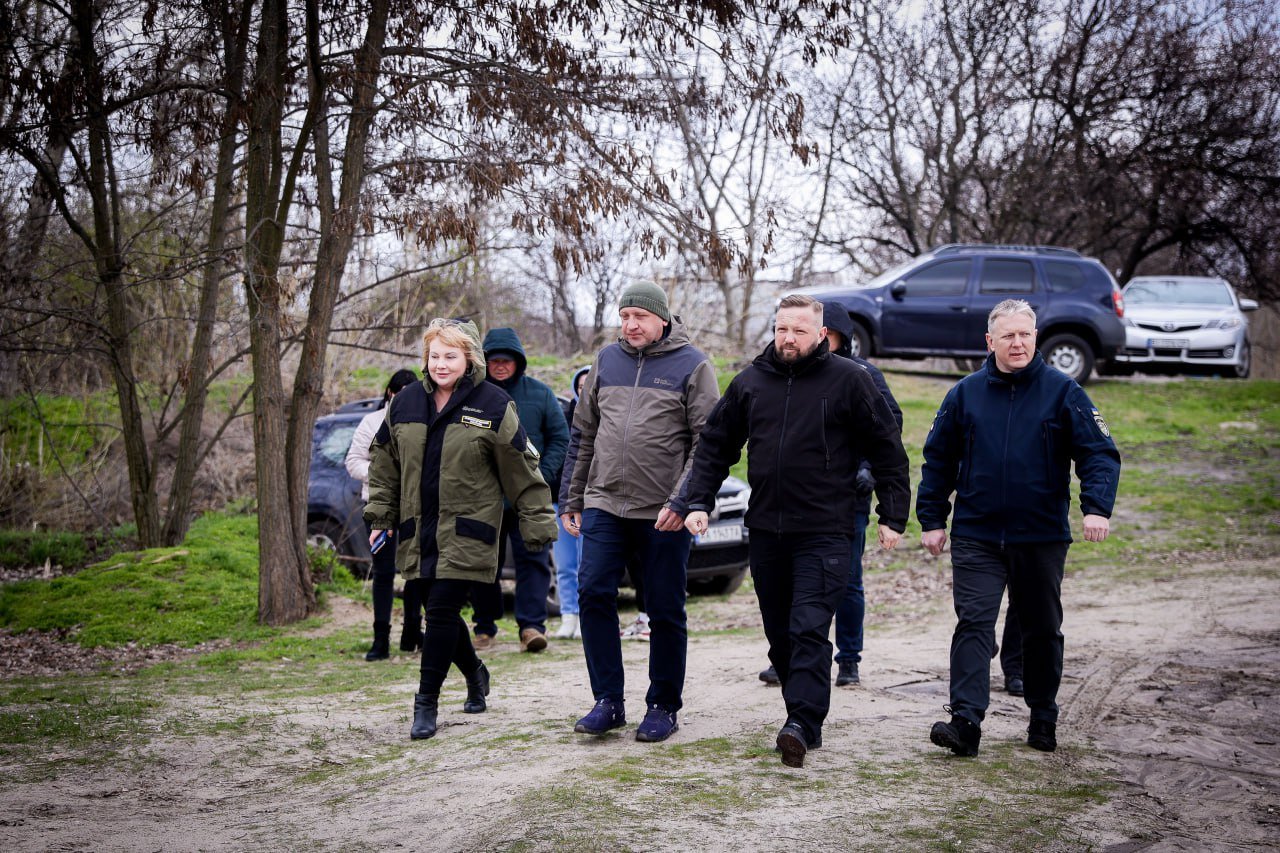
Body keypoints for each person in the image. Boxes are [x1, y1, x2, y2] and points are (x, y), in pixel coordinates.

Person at [680, 294, 911, 767]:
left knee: (808, 627)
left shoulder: (850, 380)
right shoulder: (750, 382)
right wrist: (698, 500)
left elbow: (887, 447)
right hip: (767, 530)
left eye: (799, 331)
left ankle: (802, 722)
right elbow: (716, 445)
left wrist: (892, 514)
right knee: (781, 632)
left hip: (826, 530)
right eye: (782, 328)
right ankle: (802, 717)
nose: (788, 338)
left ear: (821, 334)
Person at [917, 298, 1120, 757]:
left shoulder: (1063, 392)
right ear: (989, 341)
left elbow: (1099, 454)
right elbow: (938, 460)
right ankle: (965, 721)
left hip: (1041, 534)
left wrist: (1096, 508)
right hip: (977, 533)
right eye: (1007, 335)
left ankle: (1043, 715)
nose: (1017, 343)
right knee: (974, 623)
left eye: (1025, 334)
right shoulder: (965, 394)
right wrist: (932, 518)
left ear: (1036, 337)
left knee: (1042, 628)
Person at [365, 318, 557, 740]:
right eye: (434, 356)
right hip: (418, 530)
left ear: (469, 358)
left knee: (439, 612)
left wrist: (537, 520)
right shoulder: (406, 402)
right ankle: (474, 672)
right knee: (441, 613)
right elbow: (384, 463)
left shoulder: (493, 404)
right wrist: (381, 516)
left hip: (468, 530)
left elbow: (521, 467)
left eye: (450, 356)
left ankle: (425, 704)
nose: (441, 364)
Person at [561, 281, 719, 744]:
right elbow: (583, 433)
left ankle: (663, 705)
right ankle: (608, 701)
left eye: (640, 316)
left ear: (661, 319)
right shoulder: (606, 361)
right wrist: (572, 497)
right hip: (605, 501)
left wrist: (682, 501)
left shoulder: (693, 364)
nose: (630, 324)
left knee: (664, 607)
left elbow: (707, 442)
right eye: (625, 316)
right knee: (593, 591)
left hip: (663, 510)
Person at [757, 301, 902, 688]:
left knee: (848, 580)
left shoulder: (862, 375)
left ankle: (849, 657)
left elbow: (888, 429)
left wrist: (867, 471)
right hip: (794, 505)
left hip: (849, 499)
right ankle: (788, 655)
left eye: (833, 336)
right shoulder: (785, 375)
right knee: (793, 585)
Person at [468, 328, 570, 653]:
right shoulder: (472, 396)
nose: (500, 366)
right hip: (484, 498)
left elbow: (560, 438)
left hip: (529, 497)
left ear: (518, 362)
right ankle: (484, 627)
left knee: (534, 561)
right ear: (484, 362)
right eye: (494, 360)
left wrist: (542, 476)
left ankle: (531, 627)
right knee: (483, 563)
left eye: (507, 360)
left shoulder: (540, 394)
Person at [344, 368, 421, 660]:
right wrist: (383, 475)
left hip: (414, 506)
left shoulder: (423, 420)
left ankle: (412, 633)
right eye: (399, 392)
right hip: (379, 506)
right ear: (390, 392)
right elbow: (353, 462)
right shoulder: (372, 421)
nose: (404, 398)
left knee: (415, 569)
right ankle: (380, 639)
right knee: (384, 571)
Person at [552, 365, 591, 639]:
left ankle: (587, 617)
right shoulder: (562, 418)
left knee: (588, 565)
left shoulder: (608, 417)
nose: (584, 391)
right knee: (565, 565)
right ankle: (569, 615)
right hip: (562, 502)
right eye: (580, 387)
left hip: (594, 505)